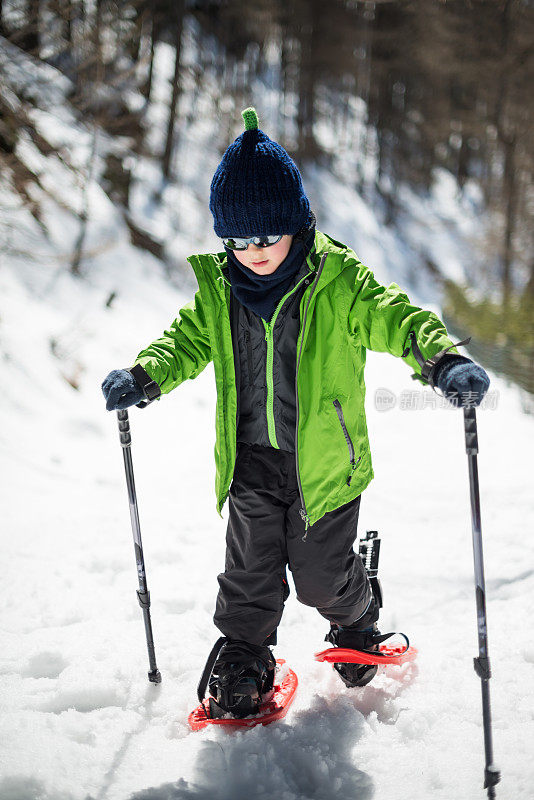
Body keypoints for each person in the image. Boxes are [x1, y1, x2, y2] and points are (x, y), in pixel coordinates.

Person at [102, 107, 490, 718]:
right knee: (248, 575)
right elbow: (185, 341)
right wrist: (146, 375)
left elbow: (398, 317)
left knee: (319, 578)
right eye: (236, 240)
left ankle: (358, 615)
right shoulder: (220, 292)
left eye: (265, 237)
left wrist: (443, 361)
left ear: (297, 225)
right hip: (252, 461)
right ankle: (243, 651)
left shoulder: (340, 283)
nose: (251, 252)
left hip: (324, 466)